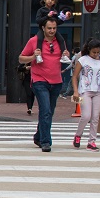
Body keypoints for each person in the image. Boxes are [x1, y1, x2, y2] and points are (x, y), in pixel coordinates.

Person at [18, 15, 71, 152]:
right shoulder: (34, 41)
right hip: (39, 80)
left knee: (49, 112)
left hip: (56, 81)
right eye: (49, 28)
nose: (52, 31)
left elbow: (63, 57)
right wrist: (33, 57)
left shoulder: (60, 41)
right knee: (45, 110)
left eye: (54, 28)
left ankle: (38, 136)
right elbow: (21, 59)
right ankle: (46, 141)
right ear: (43, 28)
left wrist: (66, 54)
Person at [70, 38, 100, 151]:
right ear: (89, 50)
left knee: (95, 117)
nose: (96, 54)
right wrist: (75, 91)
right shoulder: (83, 60)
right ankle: (78, 135)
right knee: (86, 115)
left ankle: (92, 141)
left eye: (98, 52)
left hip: (98, 90)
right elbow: (74, 76)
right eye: (94, 52)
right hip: (85, 90)